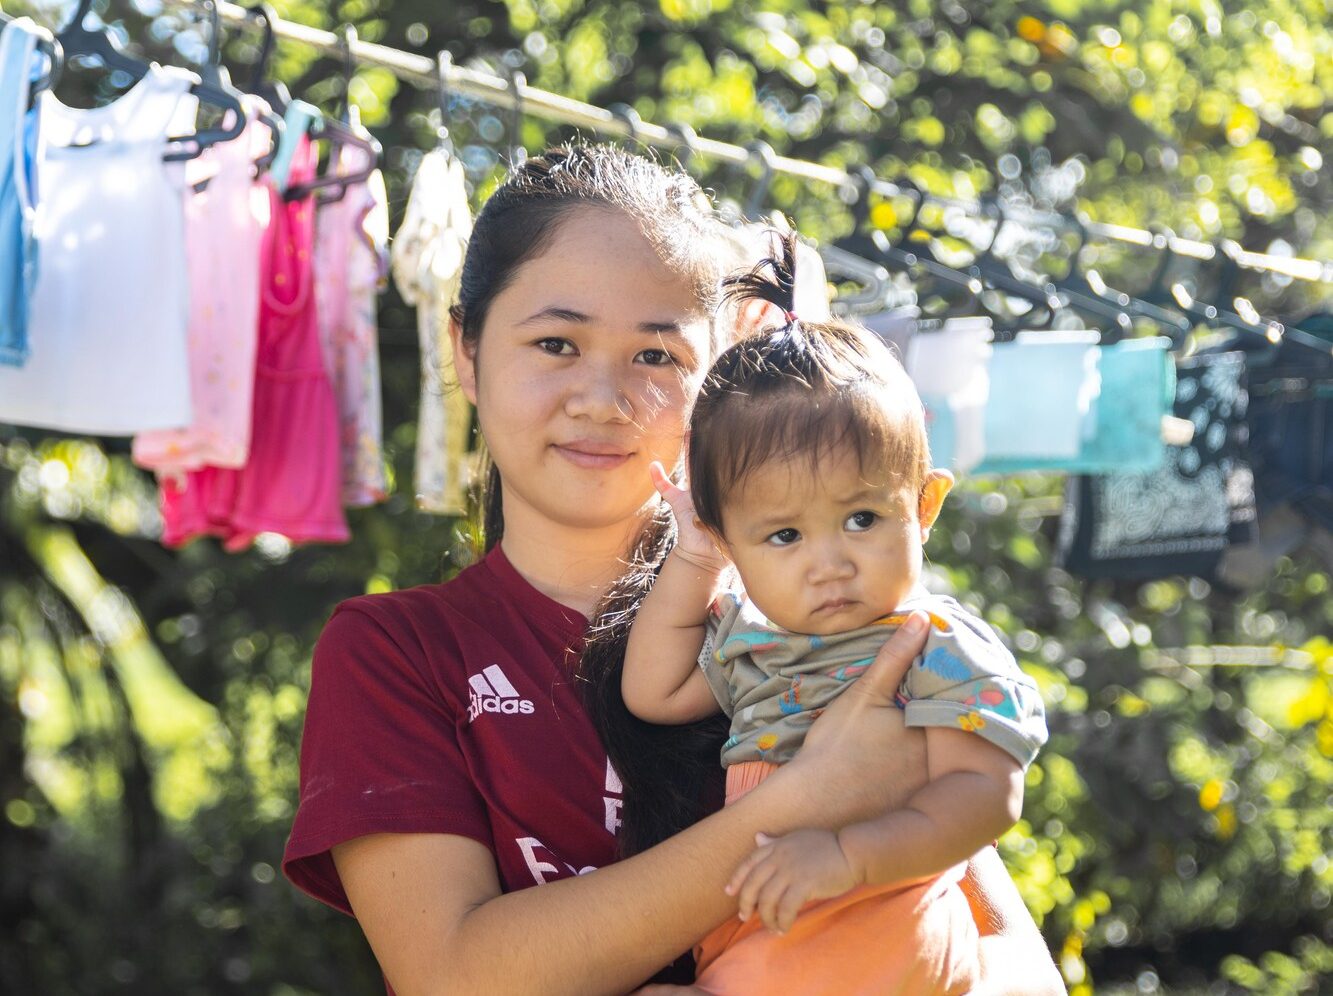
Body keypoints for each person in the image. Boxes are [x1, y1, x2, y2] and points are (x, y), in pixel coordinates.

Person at [281, 143, 1065, 995]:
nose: (602, 398)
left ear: (715, 375)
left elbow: (1015, 967)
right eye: (555, 343)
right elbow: (452, 975)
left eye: (656, 356)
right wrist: (804, 801)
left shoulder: (814, 623)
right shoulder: (396, 652)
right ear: (465, 350)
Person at [620, 233, 1048, 993]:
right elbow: (651, 693)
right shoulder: (753, 638)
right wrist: (694, 559)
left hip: (881, 932)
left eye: (860, 519)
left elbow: (986, 797)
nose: (829, 563)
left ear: (924, 506)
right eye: (784, 536)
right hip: (758, 935)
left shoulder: (934, 645)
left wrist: (851, 855)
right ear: (730, 541)